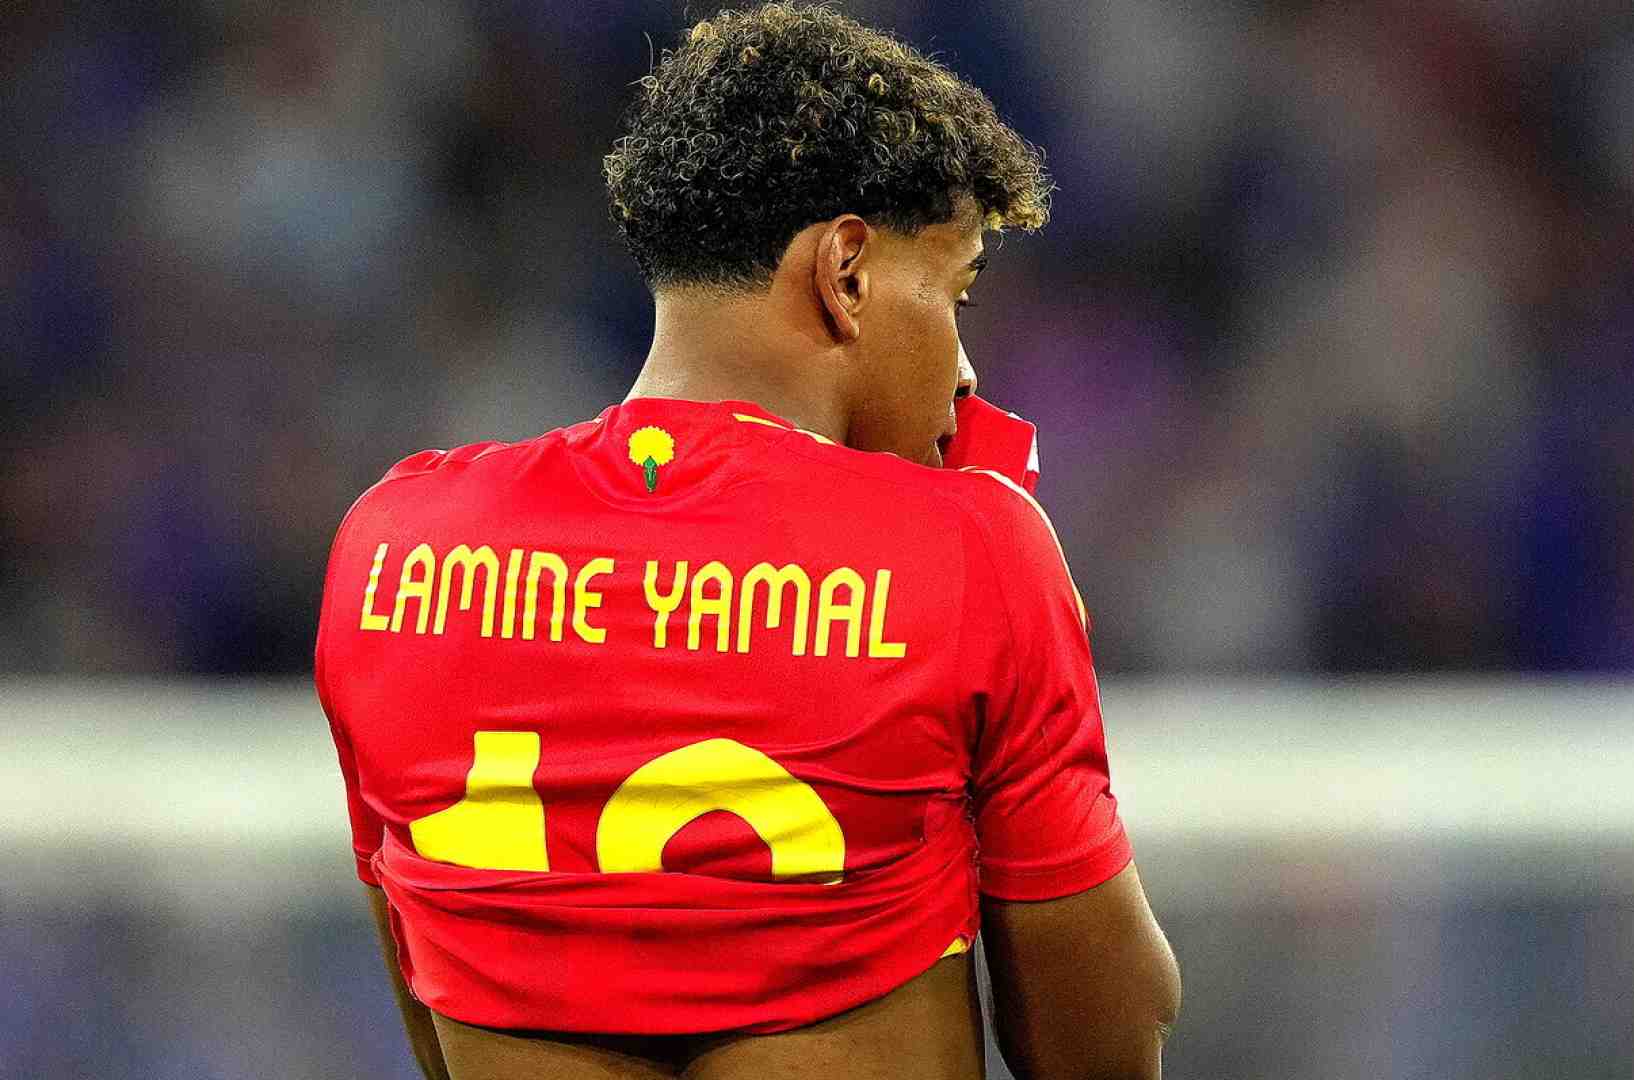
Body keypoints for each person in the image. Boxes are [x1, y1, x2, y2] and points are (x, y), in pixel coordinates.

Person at [313, 4, 1179, 1078]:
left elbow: (429, 998)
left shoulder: (392, 553)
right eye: (955, 293)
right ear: (846, 270)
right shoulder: (968, 554)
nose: (965, 370)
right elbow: (1105, 1033)